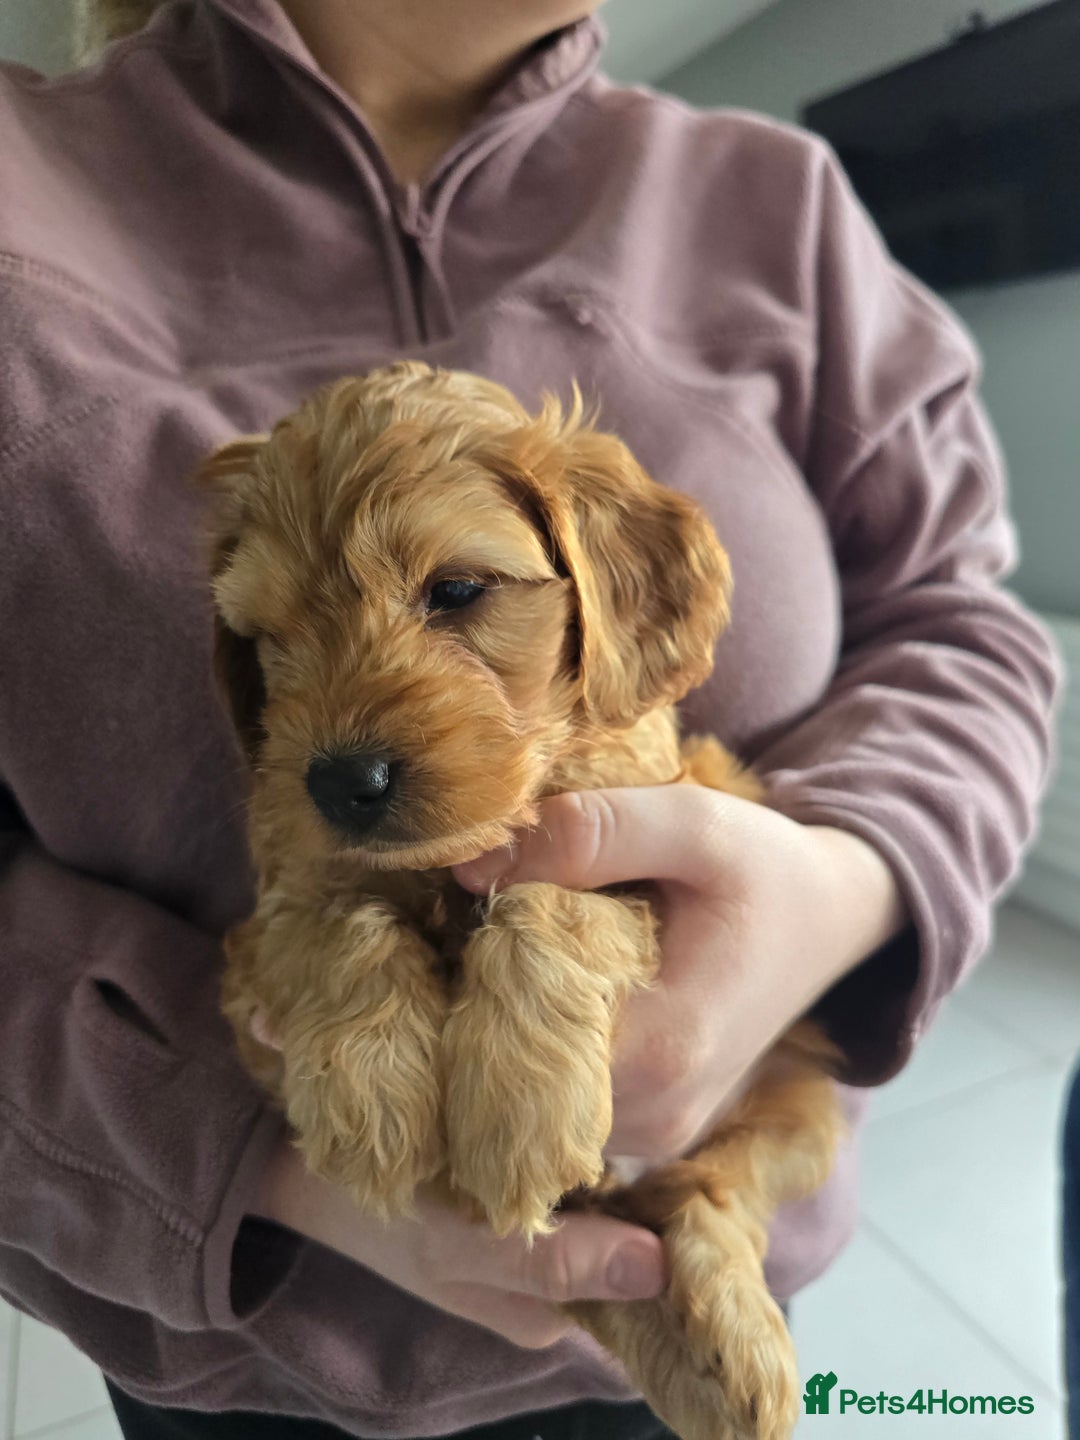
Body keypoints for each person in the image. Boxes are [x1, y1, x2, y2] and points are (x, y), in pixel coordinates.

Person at [0, 1, 1059, 1437]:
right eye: (277, 641)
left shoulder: (779, 201)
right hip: (239, 1353)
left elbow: (957, 623)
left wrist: (844, 882)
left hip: (694, 1276)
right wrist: (247, 1151)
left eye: (454, 593)